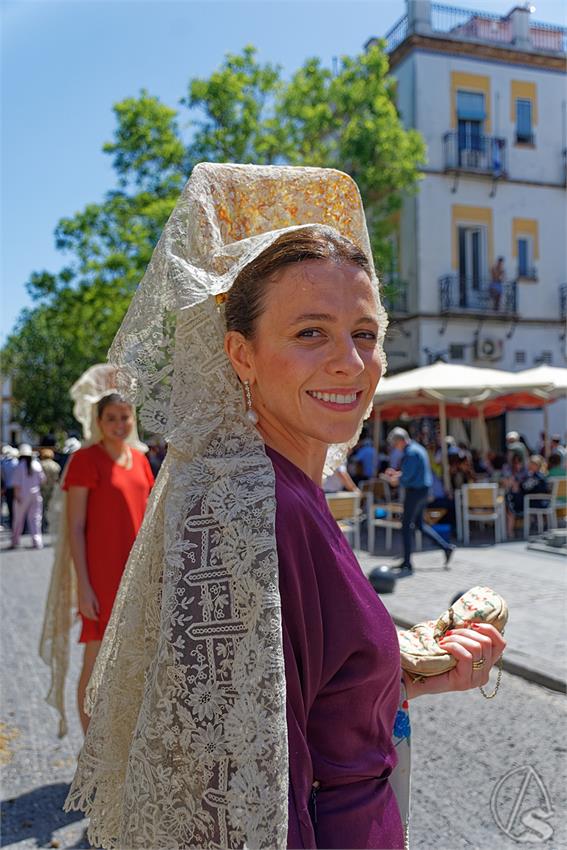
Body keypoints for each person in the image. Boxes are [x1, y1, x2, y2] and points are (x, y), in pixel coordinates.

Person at [64, 163, 506, 850]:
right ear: (240, 354)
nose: (352, 364)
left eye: (364, 332)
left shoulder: (282, 489)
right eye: (310, 333)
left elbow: (292, 709)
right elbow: (235, 800)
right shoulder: (254, 509)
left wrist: (406, 672)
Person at [39, 364, 152, 739]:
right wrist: (83, 586)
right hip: (102, 576)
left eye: (124, 416)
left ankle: (122, 746)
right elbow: (74, 527)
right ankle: (91, 754)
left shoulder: (140, 460)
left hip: (138, 576)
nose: (119, 424)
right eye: (111, 418)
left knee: (136, 662)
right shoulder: (86, 460)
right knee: (97, 661)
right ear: (98, 420)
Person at [385, 427, 455, 576]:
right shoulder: (417, 448)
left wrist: (393, 479)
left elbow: (407, 477)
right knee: (419, 525)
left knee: (406, 526)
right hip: (422, 491)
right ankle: (446, 547)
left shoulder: (410, 453)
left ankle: (407, 562)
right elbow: (411, 472)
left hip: (415, 493)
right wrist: (397, 474)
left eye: (395, 444)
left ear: (401, 441)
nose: (395, 447)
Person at [505, 454, 550, 538]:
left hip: (535, 502)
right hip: (541, 502)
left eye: (531, 464)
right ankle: (510, 529)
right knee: (511, 499)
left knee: (510, 502)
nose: (529, 465)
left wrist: (517, 485)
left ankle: (509, 530)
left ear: (536, 465)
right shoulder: (541, 475)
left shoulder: (535, 477)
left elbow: (524, 487)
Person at [11, 444, 46, 549]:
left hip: (22, 495)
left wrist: (16, 496)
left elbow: (16, 484)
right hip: (36, 494)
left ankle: (15, 540)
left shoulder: (19, 466)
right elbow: (43, 480)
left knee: (18, 519)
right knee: (35, 518)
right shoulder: (37, 465)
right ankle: (37, 541)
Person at [38, 447, 61, 532]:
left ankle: (42, 526)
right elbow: (57, 478)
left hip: (42, 488)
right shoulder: (56, 465)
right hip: (52, 488)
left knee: (41, 508)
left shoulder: (40, 464)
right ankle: (49, 525)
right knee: (51, 508)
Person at [1, 445, 19, 528]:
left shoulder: (4, 463)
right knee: (16, 508)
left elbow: (3, 476)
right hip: (16, 488)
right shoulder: (17, 463)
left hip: (8, 487)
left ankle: (12, 524)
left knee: (10, 508)